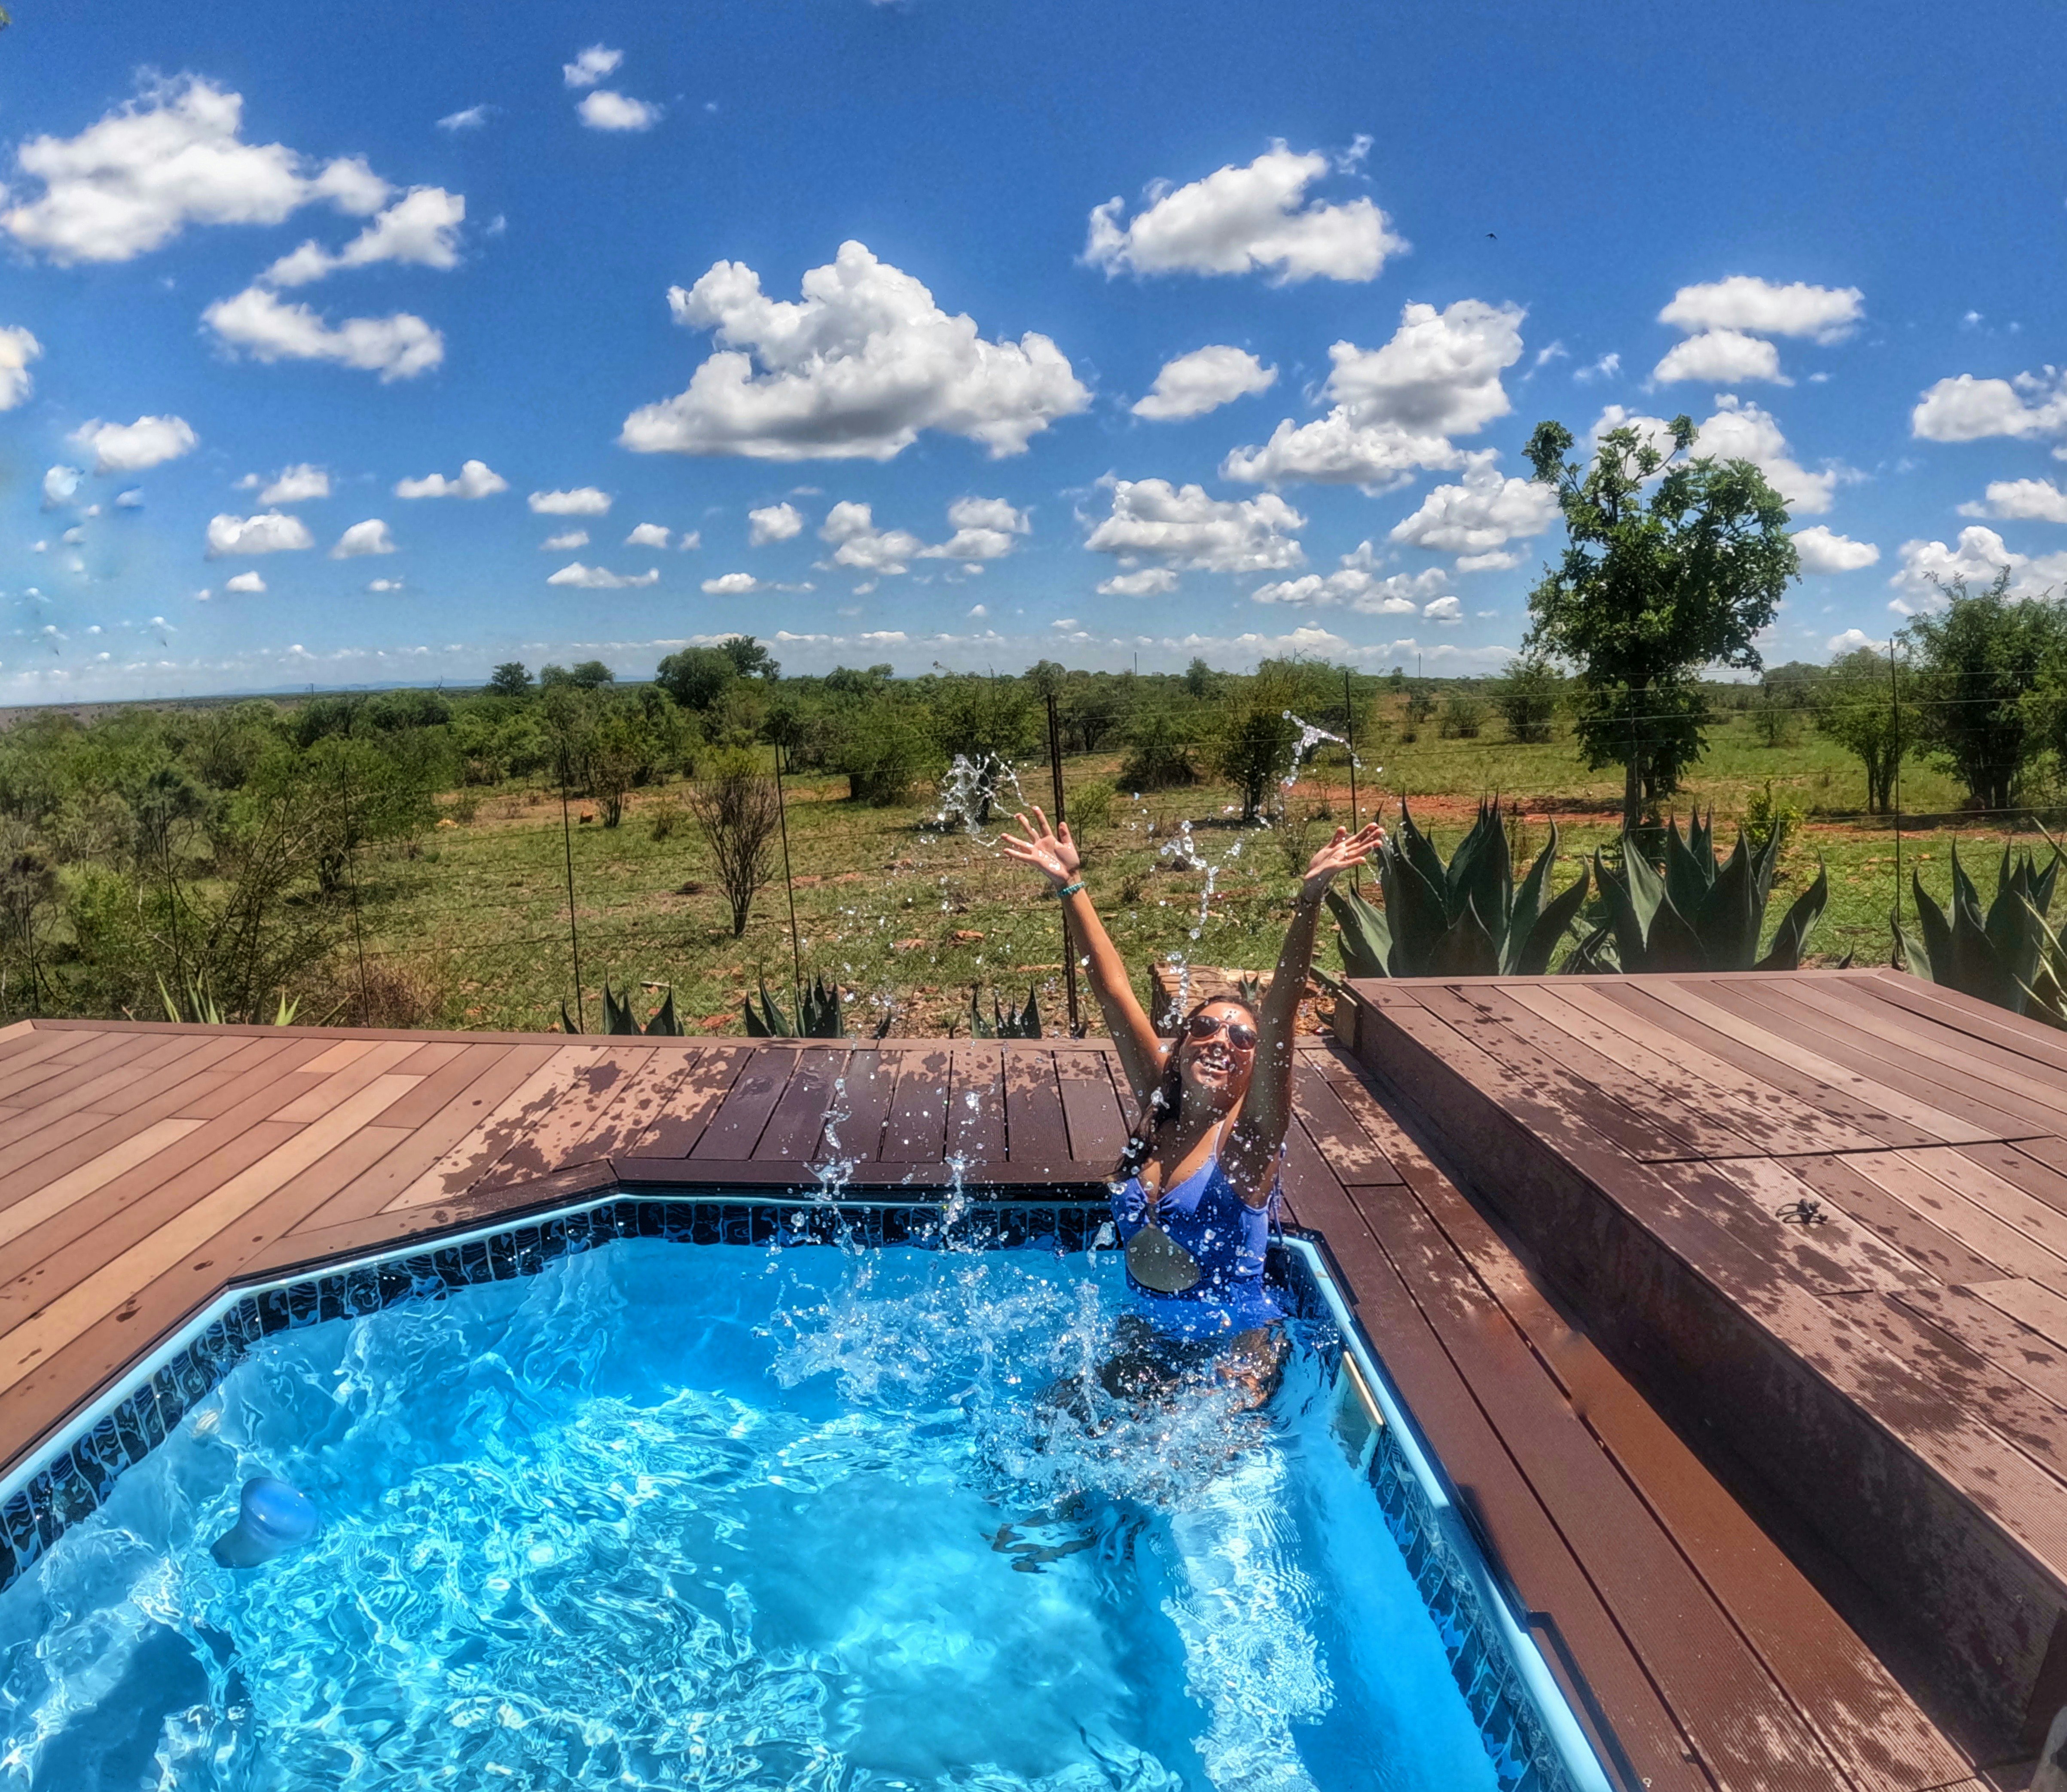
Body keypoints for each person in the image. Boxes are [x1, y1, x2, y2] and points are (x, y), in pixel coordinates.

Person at [999, 806, 1383, 1410]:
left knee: (1184, 1462)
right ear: (1180, 1048)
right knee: (1052, 1419)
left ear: (1256, 1064)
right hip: (1148, 1330)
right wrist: (1071, 884)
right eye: (1205, 1028)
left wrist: (1310, 901)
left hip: (1234, 1345)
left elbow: (1280, 1017)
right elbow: (1113, 992)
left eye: (1242, 1038)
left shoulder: (1251, 1141)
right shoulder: (1161, 1106)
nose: (1221, 1041)